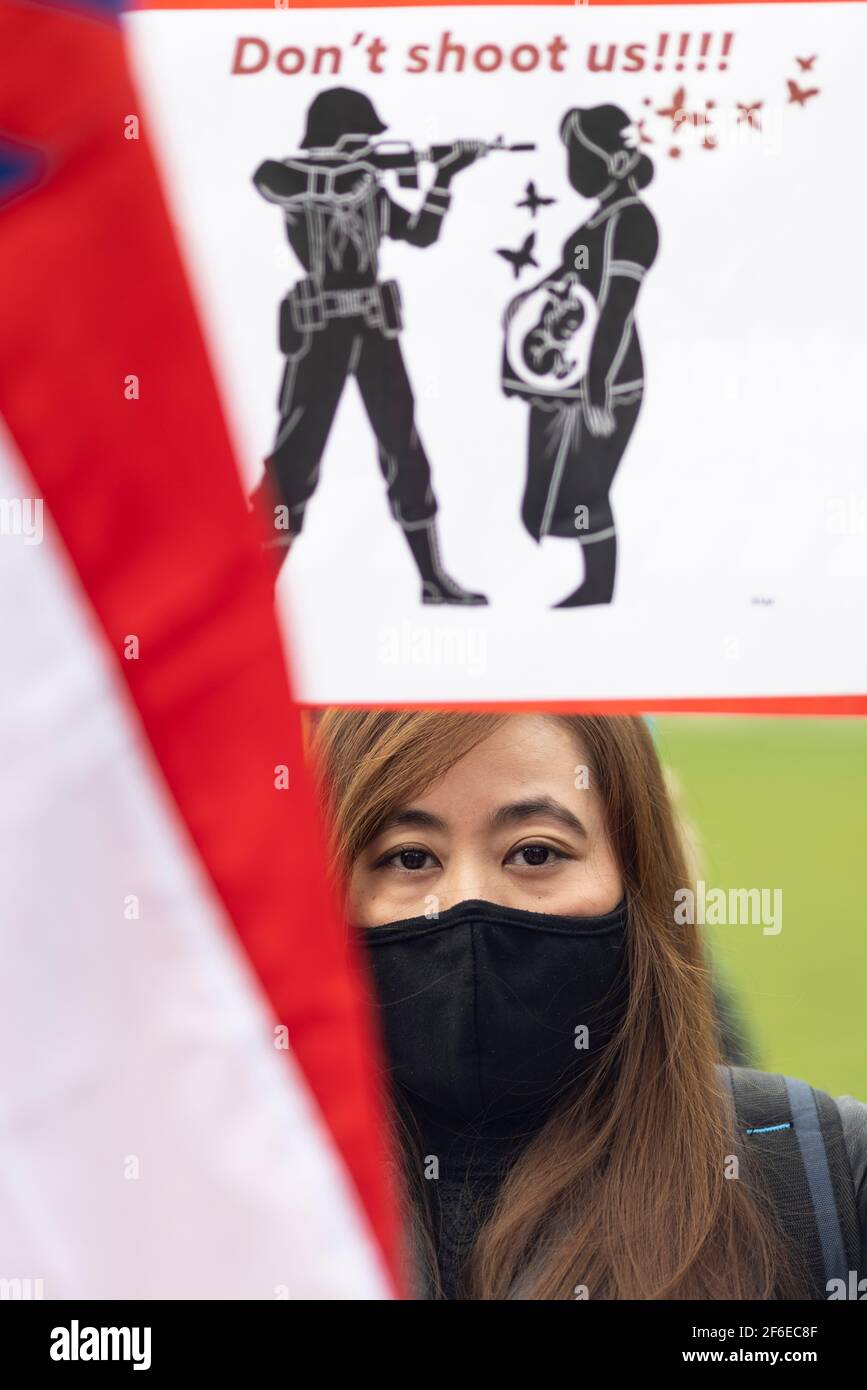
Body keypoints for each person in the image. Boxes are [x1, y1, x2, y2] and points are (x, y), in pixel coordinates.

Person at [309, 710, 867, 1299]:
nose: (468, 899)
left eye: (535, 853)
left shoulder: (823, 1180)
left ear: (637, 877)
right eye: (410, 858)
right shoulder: (235, 1195)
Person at [249, 87, 488, 605]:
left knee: (404, 448)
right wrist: (343, 179)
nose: (367, 151)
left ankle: (432, 577)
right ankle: (252, 586)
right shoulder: (293, 176)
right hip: (320, 336)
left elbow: (421, 234)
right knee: (296, 461)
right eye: (358, 140)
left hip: (374, 331)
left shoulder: (371, 190)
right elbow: (271, 180)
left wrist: (444, 176)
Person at [502, 106, 658, 607]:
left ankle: (598, 589)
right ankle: (590, 586)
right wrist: (530, 295)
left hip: (604, 374)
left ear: (611, 162)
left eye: (579, 156)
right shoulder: (600, 220)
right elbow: (575, 274)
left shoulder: (631, 220)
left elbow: (615, 306)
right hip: (566, 373)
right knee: (558, 486)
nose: (572, 169)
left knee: (586, 486)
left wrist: (597, 389)